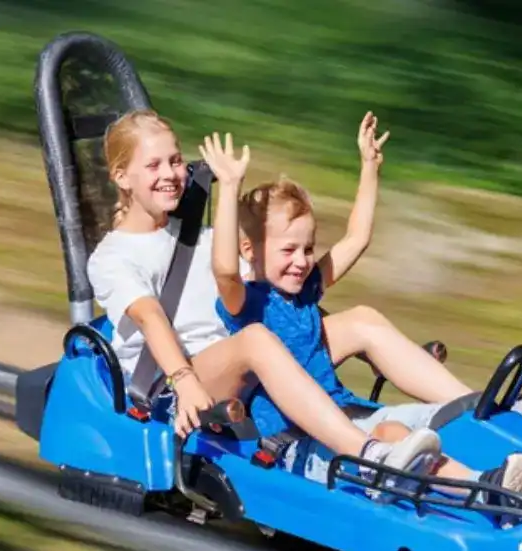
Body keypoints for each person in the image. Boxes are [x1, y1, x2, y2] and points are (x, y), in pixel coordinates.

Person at [202, 113, 522, 502]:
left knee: (419, 426)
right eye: (288, 250)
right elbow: (224, 270)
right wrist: (231, 187)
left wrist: (369, 168)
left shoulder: (306, 289)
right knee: (398, 440)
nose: (301, 260)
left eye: (308, 248)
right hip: (306, 442)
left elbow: (357, 239)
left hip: (353, 416)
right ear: (250, 249)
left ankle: (515, 426)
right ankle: (485, 489)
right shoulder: (247, 304)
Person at [85, 108, 449, 496]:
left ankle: (478, 411)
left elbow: (273, 279)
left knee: (360, 320)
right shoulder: (114, 257)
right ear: (121, 177)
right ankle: (369, 455)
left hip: (243, 360)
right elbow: (151, 318)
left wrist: (367, 170)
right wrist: (185, 380)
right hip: (179, 387)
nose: (171, 174)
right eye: (153, 165)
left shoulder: (202, 237)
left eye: (175, 160)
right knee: (257, 339)